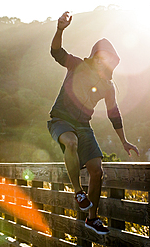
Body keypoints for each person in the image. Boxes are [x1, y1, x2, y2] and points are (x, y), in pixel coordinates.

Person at [47, 12, 140, 235]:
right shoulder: (78, 65)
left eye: (107, 59)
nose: (102, 61)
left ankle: (92, 218)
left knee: (97, 171)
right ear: (94, 56)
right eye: (99, 57)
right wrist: (60, 29)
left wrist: (124, 141)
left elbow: (113, 113)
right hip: (60, 119)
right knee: (70, 142)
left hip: (84, 126)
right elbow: (56, 53)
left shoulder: (108, 86)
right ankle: (78, 192)